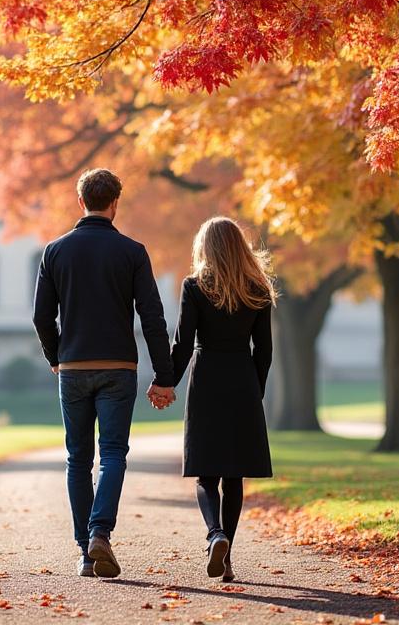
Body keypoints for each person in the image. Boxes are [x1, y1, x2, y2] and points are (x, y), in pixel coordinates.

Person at [32, 168, 173, 579]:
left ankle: (84, 552)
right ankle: (100, 533)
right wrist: (164, 375)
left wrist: (55, 357)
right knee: (112, 454)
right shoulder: (132, 252)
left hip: (73, 366)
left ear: (81, 202)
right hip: (118, 368)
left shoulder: (55, 251)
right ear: (115, 203)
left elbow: (42, 316)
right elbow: (152, 317)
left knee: (78, 458)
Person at [148, 217, 275, 583]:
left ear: (205, 247)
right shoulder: (257, 288)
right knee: (234, 476)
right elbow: (263, 351)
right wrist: (255, 391)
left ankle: (214, 534)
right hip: (242, 380)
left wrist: (165, 382)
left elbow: (183, 345)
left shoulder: (195, 286)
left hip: (206, 380)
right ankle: (228, 556)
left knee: (206, 474)